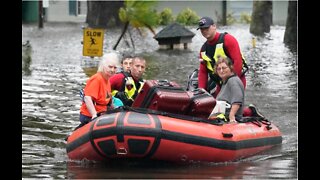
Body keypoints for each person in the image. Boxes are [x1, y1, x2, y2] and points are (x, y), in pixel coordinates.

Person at [197, 16, 248, 98]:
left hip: (237, 81)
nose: (204, 31)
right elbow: (203, 72)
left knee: (232, 107)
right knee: (217, 107)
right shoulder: (203, 50)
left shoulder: (228, 39)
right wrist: (201, 91)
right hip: (220, 84)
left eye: (207, 28)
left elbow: (238, 62)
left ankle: (250, 111)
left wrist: (231, 83)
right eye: (202, 29)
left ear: (214, 26)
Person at [209, 56, 264, 122]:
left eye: (224, 68)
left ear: (230, 68)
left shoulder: (233, 81)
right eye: (219, 69)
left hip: (229, 118)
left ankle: (250, 111)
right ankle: (249, 111)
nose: (221, 71)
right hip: (221, 116)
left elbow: (237, 99)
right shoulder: (225, 82)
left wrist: (231, 117)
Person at [79, 52, 119, 126]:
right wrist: (94, 115)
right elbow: (87, 98)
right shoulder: (97, 79)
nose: (112, 70)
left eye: (115, 67)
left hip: (102, 113)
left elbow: (107, 100)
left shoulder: (107, 80)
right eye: (110, 67)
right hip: (89, 116)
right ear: (103, 66)